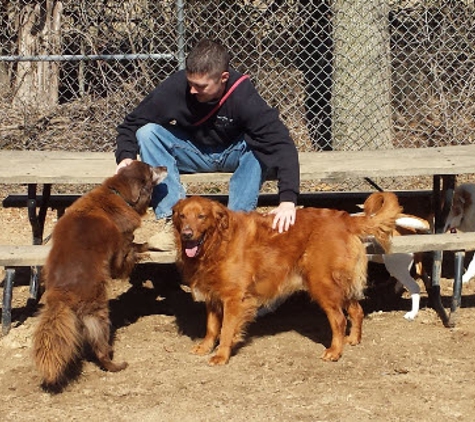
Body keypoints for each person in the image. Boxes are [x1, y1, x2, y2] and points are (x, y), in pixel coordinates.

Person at [115, 38, 300, 250]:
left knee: (258, 147)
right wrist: (126, 157)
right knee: (148, 133)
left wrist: (288, 200)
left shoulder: (243, 97)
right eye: (190, 83)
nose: (192, 90)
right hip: (192, 152)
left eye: (200, 86)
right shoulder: (176, 88)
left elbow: (281, 144)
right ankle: (172, 221)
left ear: (223, 78)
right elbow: (131, 123)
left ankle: (235, 225)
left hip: (234, 152)